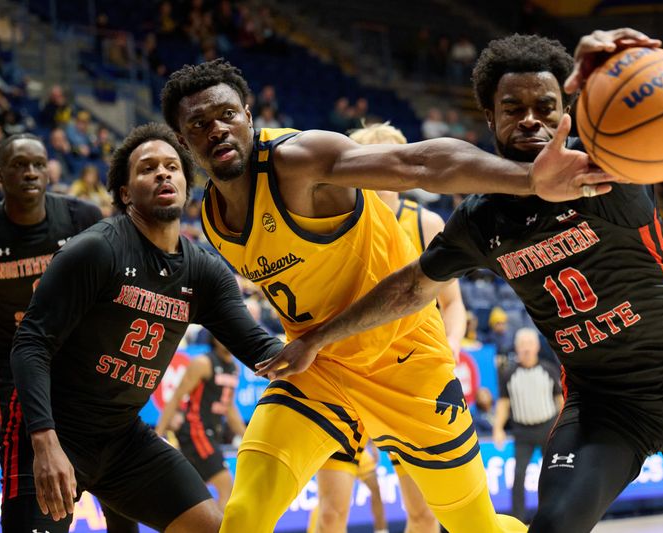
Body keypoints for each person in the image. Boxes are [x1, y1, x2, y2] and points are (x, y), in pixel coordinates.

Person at [263, 29, 663, 533]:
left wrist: (604, 69)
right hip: (605, 407)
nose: (531, 118)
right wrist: (316, 338)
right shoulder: (480, 220)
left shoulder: (603, 167)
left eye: (546, 106)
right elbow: (409, 288)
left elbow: (638, 120)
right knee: (550, 527)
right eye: (513, 107)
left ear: (567, 112)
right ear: (490, 117)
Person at [160, 58, 613, 533]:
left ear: (249, 116)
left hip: (406, 367)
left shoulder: (298, 161)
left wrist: (526, 180)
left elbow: (416, 162)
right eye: (198, 124)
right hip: (321, 371)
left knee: (475, 527)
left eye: (227, 115)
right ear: (184, 140)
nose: (217, 130)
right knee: (244, 517)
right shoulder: (211, 216)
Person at [9, 123, 284, 532]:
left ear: (186, 186)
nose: (162, 173)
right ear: (125, 192)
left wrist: (331, 343)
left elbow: (262, 349)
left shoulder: (204, 272)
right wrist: (44, 442)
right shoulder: (96, 249)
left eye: (172, 166)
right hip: (57, 431)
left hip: (124, 437)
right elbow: (29, 344)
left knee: (213, 527)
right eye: (147, 167)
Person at [0, 133, 138, 532]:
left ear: (50, 170)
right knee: (39, 512)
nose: (30, 172)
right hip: (21, 390)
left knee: (120, 503)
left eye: (38, 163)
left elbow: (117, 299)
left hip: (87, 377)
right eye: (19, 165)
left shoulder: (81, 218)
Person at [312, 122, 468, 533]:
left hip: (406, 379)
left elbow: (453, 305)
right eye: (374, 163)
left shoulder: (427, 224)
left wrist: (449, 348)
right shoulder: (334, 224)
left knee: (423, 513)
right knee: (331, 513)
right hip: (346, 378)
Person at [155, 335, 246, 510]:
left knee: (195, 500)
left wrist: (248, 437)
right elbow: (176, 397)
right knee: (226, 485)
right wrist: (158, 432)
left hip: (211, 433)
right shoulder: (203, 363)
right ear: (214, 338)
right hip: (197, 432)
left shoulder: (234, 367)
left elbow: (229, 408)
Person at [492, 328, 562, 522]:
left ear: (537, 346)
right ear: (516, 347)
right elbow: (504, 404)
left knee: (555, 474)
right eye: (522, 345)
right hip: (522, 431)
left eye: (529, 344)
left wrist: (563, 426)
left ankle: (557, 515)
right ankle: (519, 520)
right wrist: (498, 428)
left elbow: (560, 400)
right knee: (518, 476)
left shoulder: (548, 369)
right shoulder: (508, 374)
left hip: (548, 427)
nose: (526, 349)